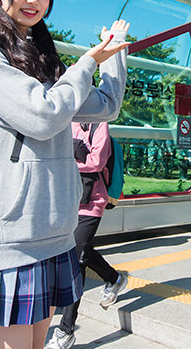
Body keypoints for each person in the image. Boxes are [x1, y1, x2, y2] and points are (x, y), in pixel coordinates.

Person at [0, 0, 129, 349]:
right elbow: (43, 115)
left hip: (51, 230)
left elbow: (105, 107)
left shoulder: (41, 56)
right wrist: (87, 62)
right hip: (7, 235)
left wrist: (114, 57)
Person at [45, 121, 128, 349]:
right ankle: (114, 278)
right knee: (80, 251)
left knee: (76, 257)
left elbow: (96, 161)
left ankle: (66, 330)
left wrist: (68, 159)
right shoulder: (67, 121)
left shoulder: (98, 124)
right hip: (67, 199)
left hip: (92, 201)